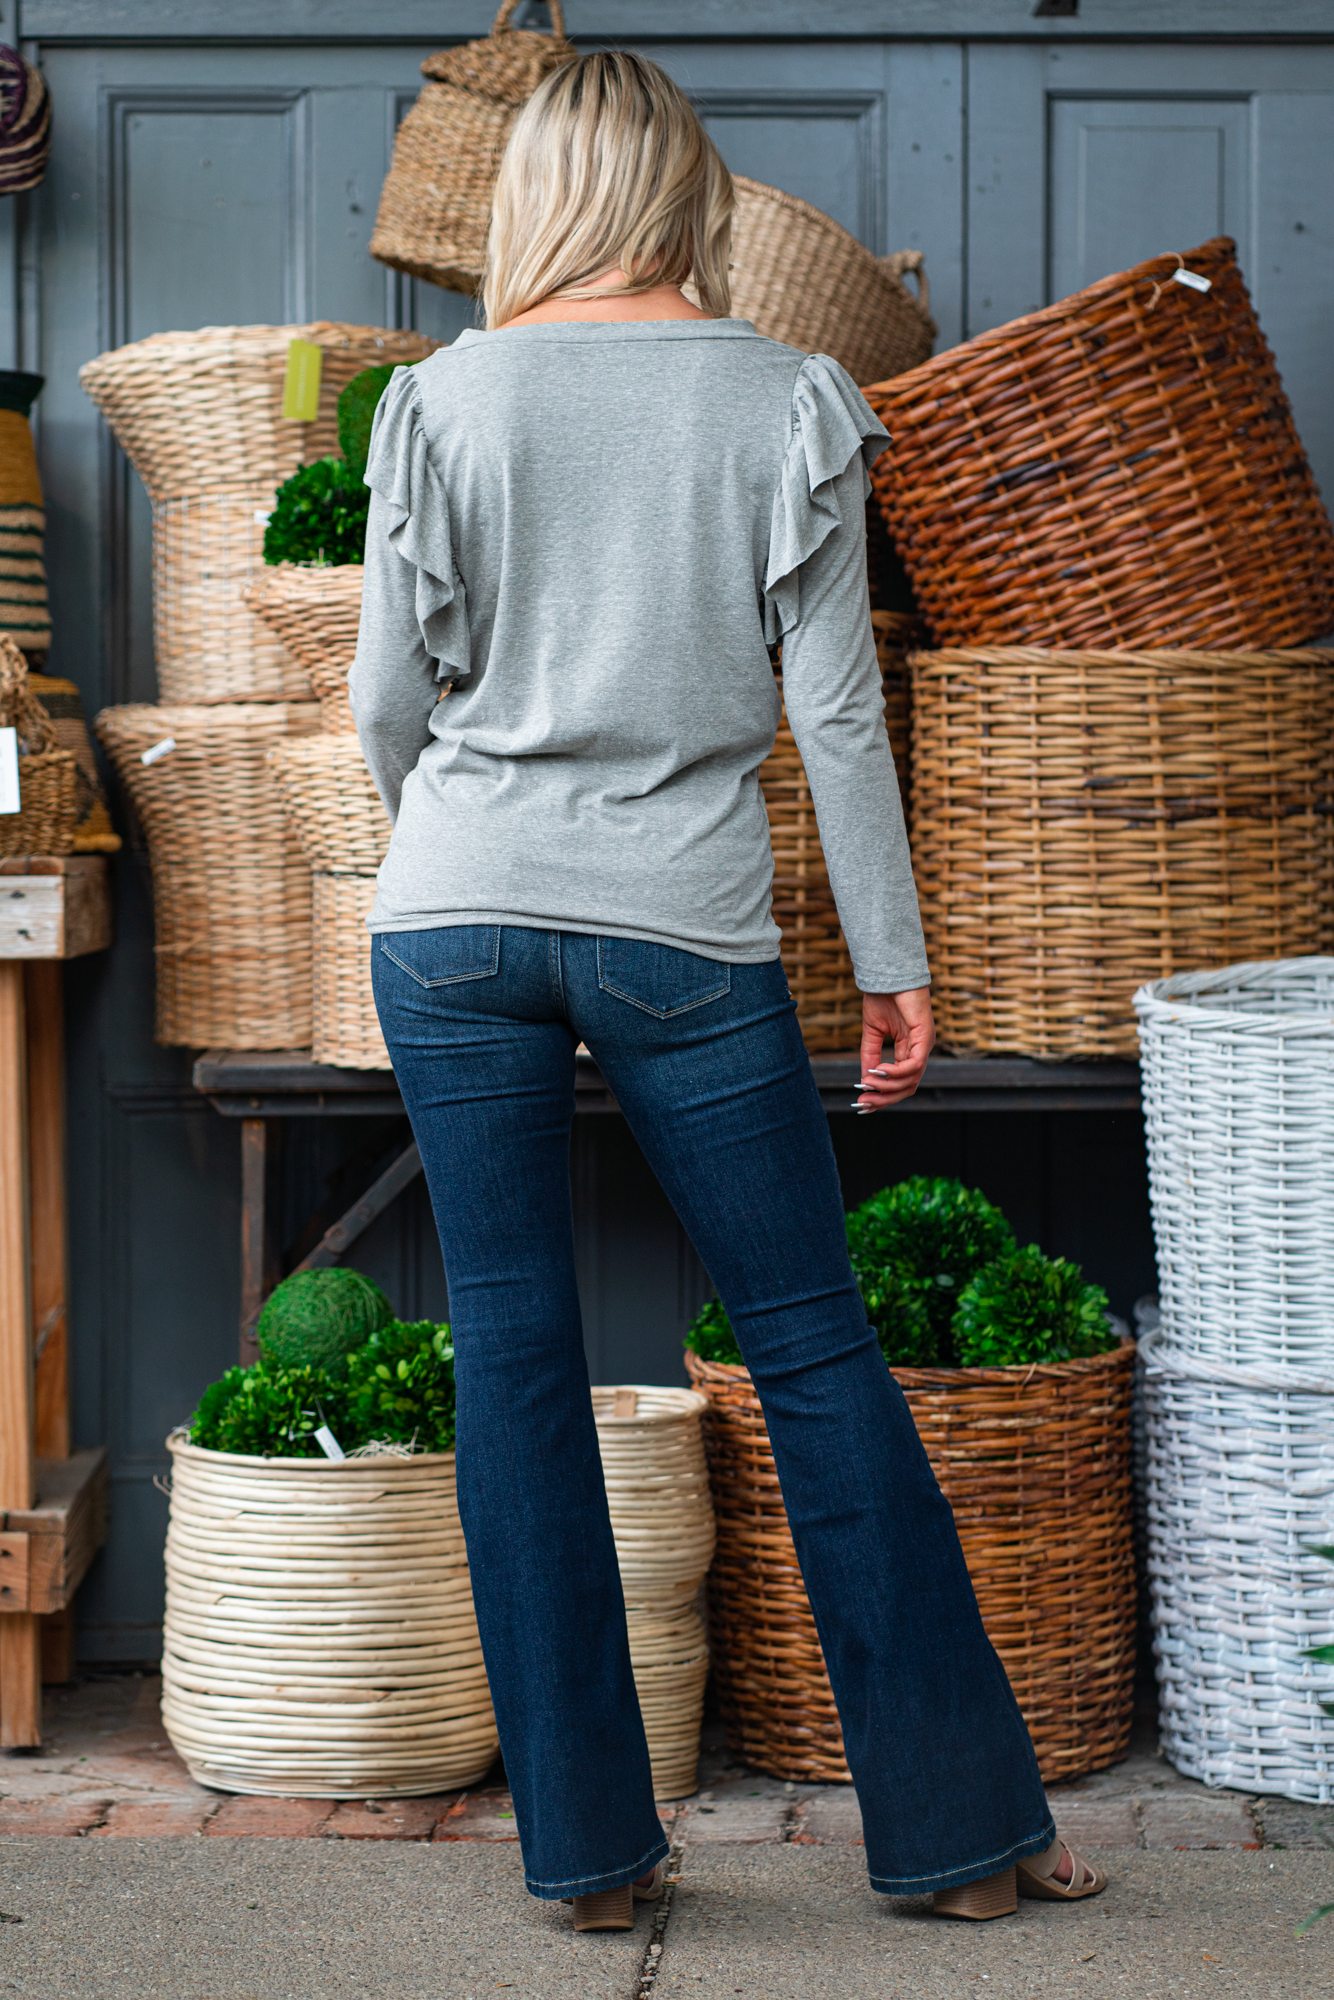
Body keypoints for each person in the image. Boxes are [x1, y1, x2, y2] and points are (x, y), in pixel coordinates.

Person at [350, 48, 1107, 1934]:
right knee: (811, 1348)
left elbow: (384, 702)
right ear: (687, 198)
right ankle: (959, 1846)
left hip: (448, 919)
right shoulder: (784, 399)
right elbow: (836, 717)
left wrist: (462, 846)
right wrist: (894, 965)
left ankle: (590, 1865)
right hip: (682, 931)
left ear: (534, 197)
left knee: (511, 1360)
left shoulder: (441, 398)